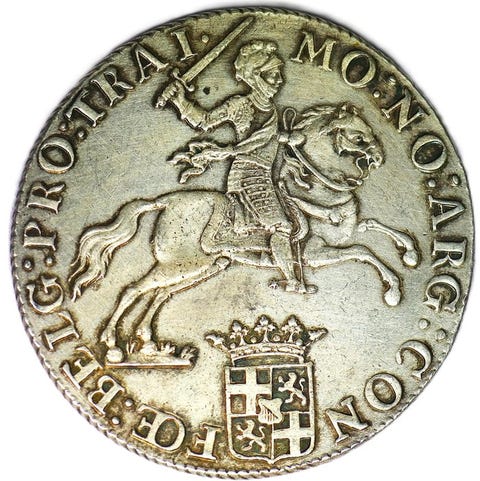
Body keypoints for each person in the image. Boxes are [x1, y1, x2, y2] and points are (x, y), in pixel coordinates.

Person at [160, 40, 307, 293]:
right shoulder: (240, 105)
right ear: (255, 77)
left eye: (278, 74)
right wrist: (180, 100)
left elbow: (265, 138)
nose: (279, 80)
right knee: (282, 227)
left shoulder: (271, 109)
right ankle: (292, 281)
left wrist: (285, 137)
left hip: (265, 174)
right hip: (248, 174)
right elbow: (204, 120)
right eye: (272, 75)